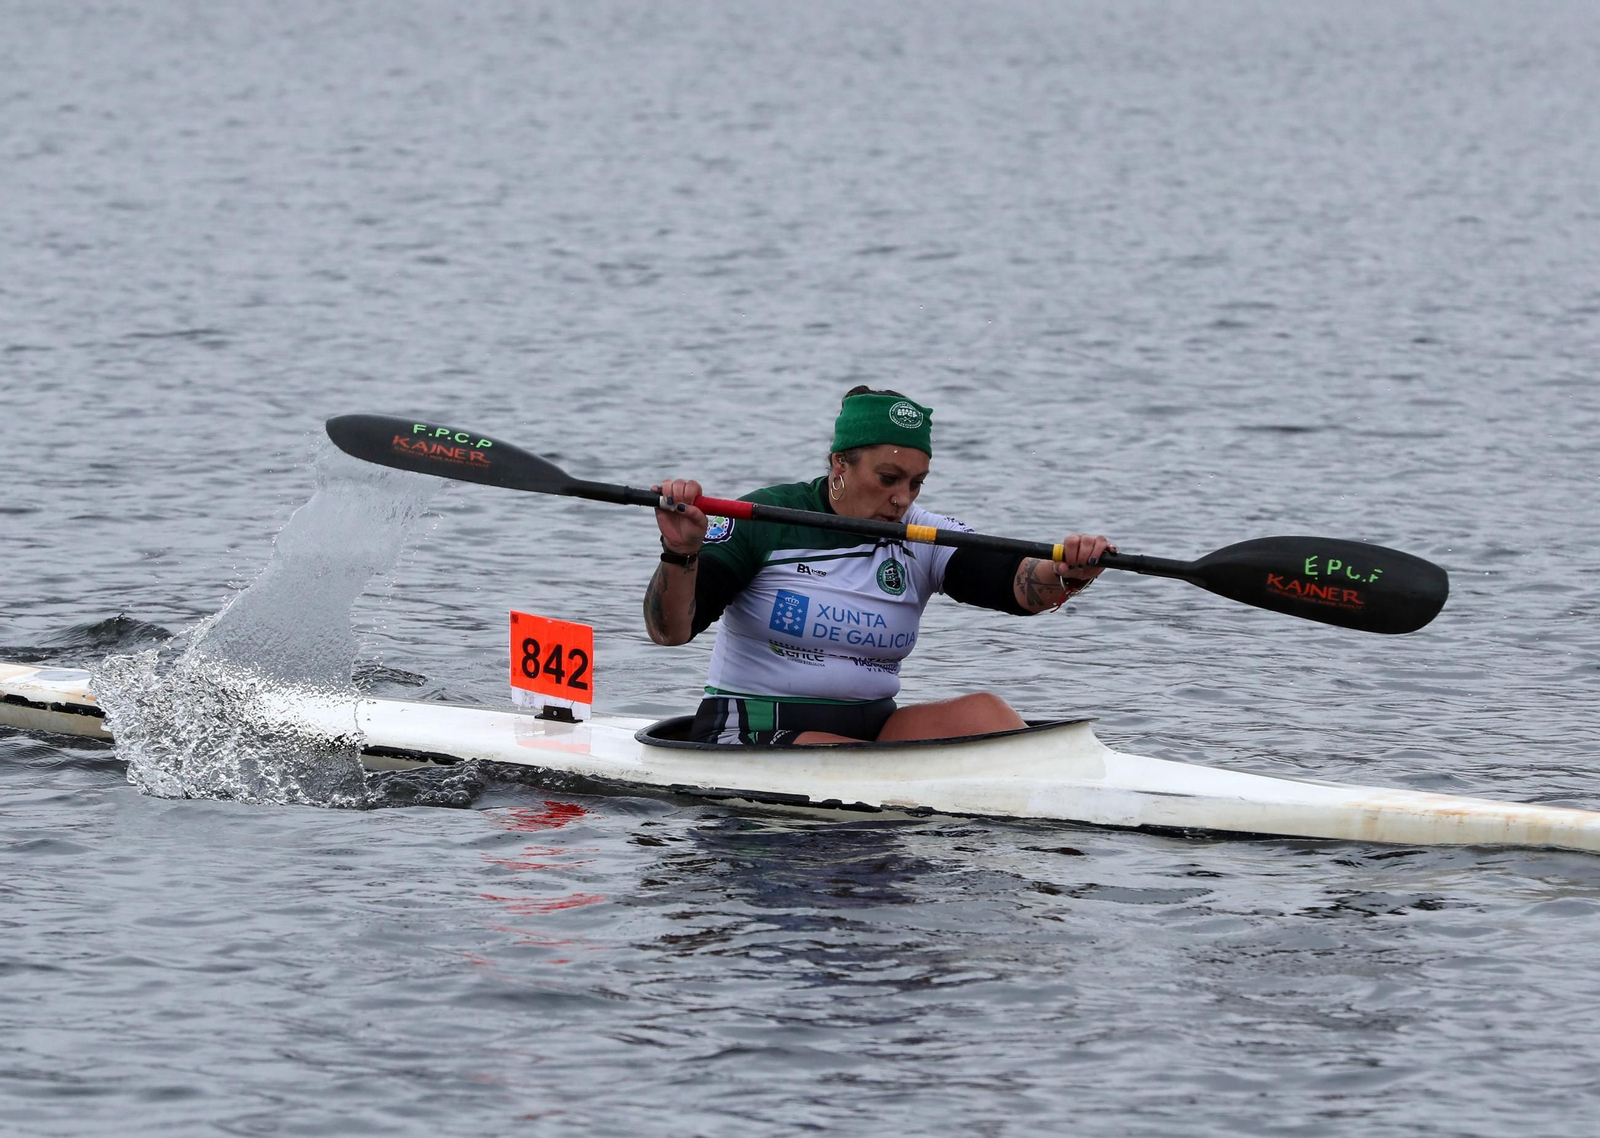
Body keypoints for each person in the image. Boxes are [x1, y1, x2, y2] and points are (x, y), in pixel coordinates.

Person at [644, 387, 1114, 745]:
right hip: (751, 731)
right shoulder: (762, 519)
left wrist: (1065, 571)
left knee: (986, 714)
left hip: (871, 731)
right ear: (840, 465)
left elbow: (1009, 580)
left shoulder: (920, 533)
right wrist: (681, 552)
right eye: (888, 479)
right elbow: (670, 632)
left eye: (916, 483)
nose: (902, 499)